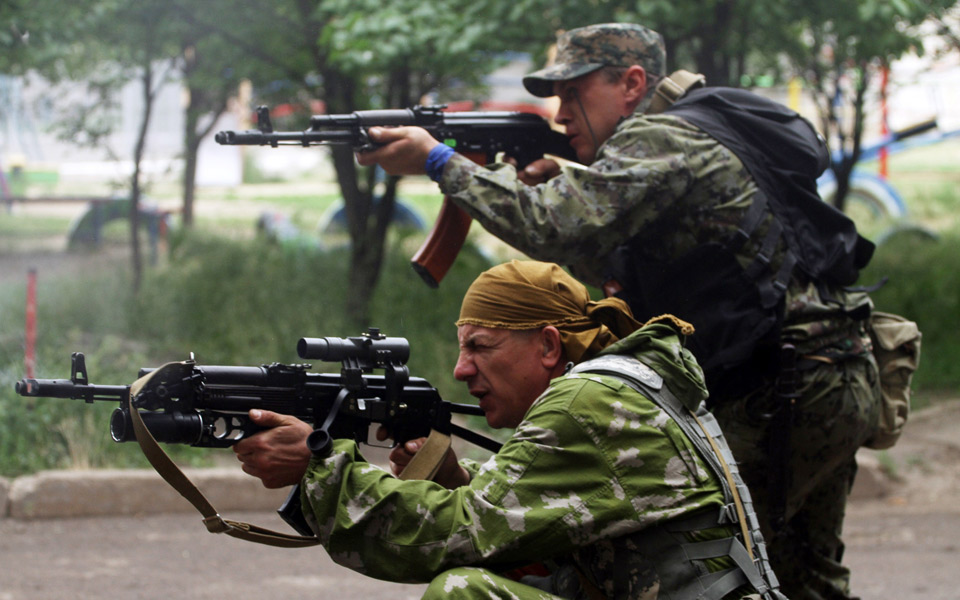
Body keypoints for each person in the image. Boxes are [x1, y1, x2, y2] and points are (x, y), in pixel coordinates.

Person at [353, 23, 882, 600]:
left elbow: (548, 225)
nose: (559, 115)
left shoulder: (658, 137)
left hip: (781, 388)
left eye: (572, 93)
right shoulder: (698, 135)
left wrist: (438, 161)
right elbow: (631, 262)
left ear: (631, 83)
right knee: (805, 575)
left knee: (718, 571)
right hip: (831, 369)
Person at [234, 259, 785, 600]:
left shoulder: (584, 402)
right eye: (461, 347)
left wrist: (320, 466)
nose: (461, 368)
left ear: (548, 345)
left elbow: (451, 538)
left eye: (480, 346)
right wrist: (456, 479)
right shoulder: (620, 387)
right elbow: (551, 517)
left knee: (465, 595)